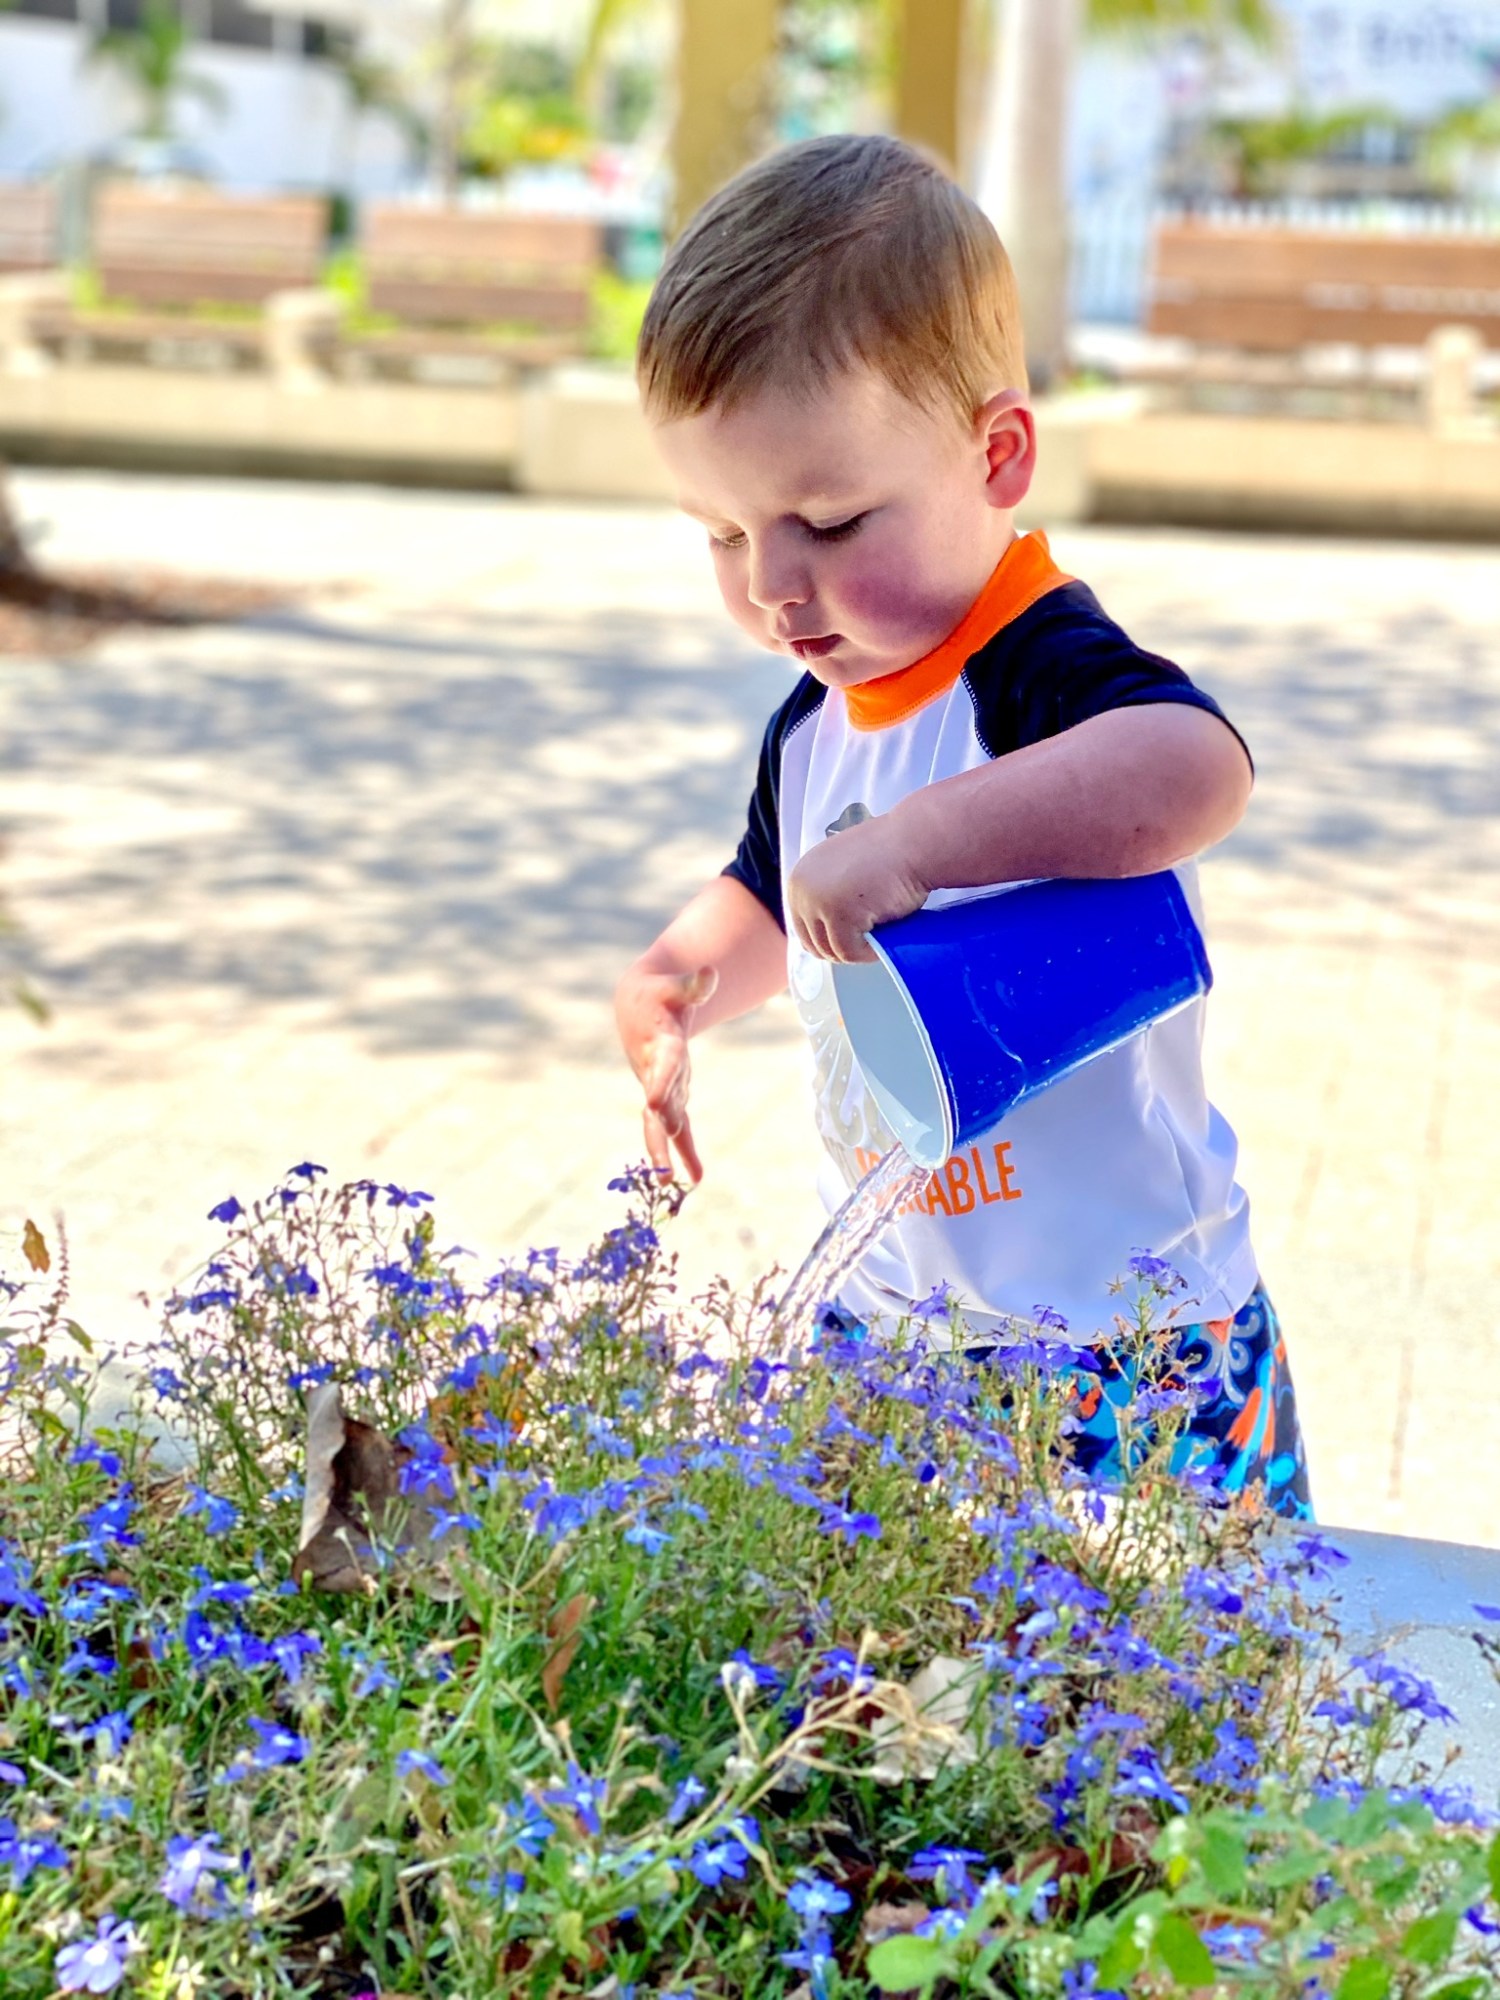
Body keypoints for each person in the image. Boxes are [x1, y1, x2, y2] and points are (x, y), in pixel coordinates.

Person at [613, 133, 1311, 1519]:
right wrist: (676, 980)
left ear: (996, 456)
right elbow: (769, 898)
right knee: (885, 1664)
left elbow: (1195, 766)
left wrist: (920, 844)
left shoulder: (1034, 664)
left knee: (1185, 1681)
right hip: (894, 1322)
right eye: (722, 533)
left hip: (1126, 1326)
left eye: (828, 516)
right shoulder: (813, 722)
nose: (775, 588)